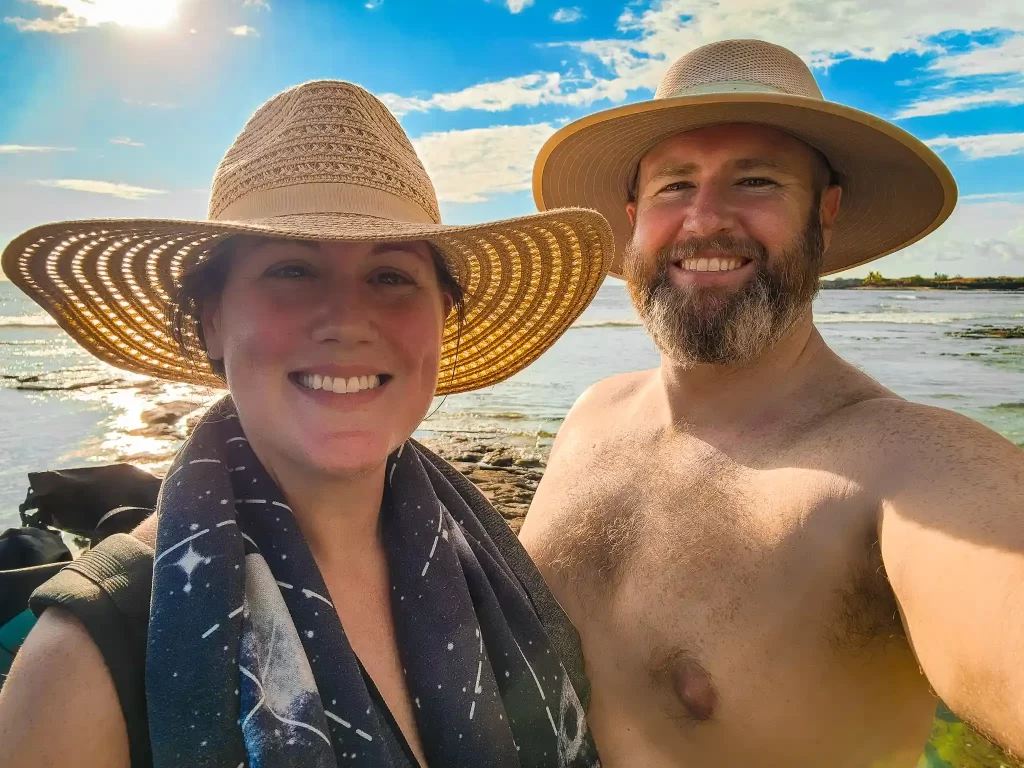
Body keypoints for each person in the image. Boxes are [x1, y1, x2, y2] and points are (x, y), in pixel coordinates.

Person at [0, 79, 612, 768]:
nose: (347, 321)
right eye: (291, 270)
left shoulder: (489, 567)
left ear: (442, 315)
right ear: (212, 321)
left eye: (389, 276)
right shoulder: (82, 664)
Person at [522, 38, 1024, 767]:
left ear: (826, 213)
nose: (703, 221)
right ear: (633, 214)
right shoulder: (589, 413)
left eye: (755, 182)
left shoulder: (908, 470)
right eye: (673, 186)